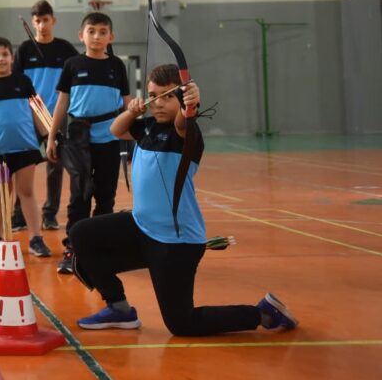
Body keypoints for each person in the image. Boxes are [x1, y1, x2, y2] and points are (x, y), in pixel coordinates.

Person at [70, 65, 298, 335]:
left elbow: (183, 120)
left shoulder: (186, 134)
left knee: (181, 324)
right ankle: (119, 308)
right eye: (154, 95)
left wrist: (191, 102)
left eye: (168, 96)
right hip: (141, 227)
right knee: (82, 235)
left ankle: (262, 314)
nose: (159, 103)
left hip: (176, 242)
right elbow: (116, 130)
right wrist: (131, 111)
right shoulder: (146, 128)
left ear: (182, 99)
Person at [46, 12, 131, 275]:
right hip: (77, 139)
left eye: (103, 31)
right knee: (79, 196)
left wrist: (136, 133)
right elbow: (62, 103)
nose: (97, 36)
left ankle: (100, 247)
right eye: (91, 31)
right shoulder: (72, 64)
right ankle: (73, 247)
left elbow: (127, 105)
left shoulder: (117, 66)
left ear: (111, 37)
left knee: (105, 197)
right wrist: (51, 136)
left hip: (109, 140)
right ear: (81, 35)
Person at [0, 38, 51, 259]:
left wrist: (48, 135)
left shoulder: (23, 81)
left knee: (26, 191)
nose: (1, 59)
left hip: (26, 148)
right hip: (0, 152)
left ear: (12, 57)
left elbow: (38, 109)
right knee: (2, 192)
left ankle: (36, 239)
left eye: (5, 54)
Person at [14, 0, 78, 230]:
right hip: (30, 113)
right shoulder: (23, 50)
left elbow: (76, 77)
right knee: (22, 165)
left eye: (46, 20)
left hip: (56, 115)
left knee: (55, 163)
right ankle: (18, 214)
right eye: (37, 21)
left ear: (54, 21)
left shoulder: (66, 49)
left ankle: (50, 213)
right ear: (33, 22)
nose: (41, 25)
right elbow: (15, 83)